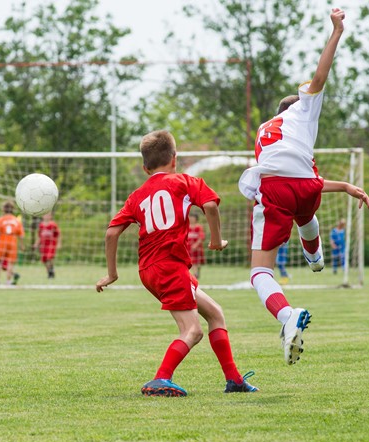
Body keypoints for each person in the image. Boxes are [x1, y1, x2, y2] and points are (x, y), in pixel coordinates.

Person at [237, 8, 369, 365]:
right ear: (300, 102)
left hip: (277, 187)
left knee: (259, 272)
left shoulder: (265, 129)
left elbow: (281, 171)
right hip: (305, 187)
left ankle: (287, 316)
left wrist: (344, 186)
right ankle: (315, 257)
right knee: (306, 207)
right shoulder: (303, 109)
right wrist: (336, 32)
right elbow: (320, 73)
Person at [96, 130, 257, 397]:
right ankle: (160, 379)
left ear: (145, 168)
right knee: (192, 331)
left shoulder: (137, 195)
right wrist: (216, 241)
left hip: (149, 269)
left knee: (215, 313)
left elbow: (111, 232)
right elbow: (211, 206)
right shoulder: (184, 181)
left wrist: (112, 274)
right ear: (175, 157)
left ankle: (234, 380)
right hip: (169, 266)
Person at [0, 201, 24, 285]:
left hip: (2, 240)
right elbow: (21, 235)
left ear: (3, 209)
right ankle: (8, 281)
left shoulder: (1, 219)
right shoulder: (16, 220)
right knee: (10, 263)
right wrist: (22, 245)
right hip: (12, 241)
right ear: (13, 209)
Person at [35, 212, 60, 279]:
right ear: (43, 216)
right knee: (44, 260)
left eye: (48, 215)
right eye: (45, 215)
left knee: (49, 258)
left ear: (51, 216)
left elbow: (58, 234)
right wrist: (36, 243)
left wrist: (59, 243)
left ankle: (51, 271)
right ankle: (50, 272)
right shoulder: (41, 225)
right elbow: (39, 236)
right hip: (43, 245)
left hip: (51, 244)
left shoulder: (53, 224)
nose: (46, 216)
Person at [185, 213, 206, 279]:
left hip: (197, 249)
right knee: (192, 261)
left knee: (198, 262)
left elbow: (201, 237)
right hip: (188, 248)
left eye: (192, 217)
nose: (191, 219)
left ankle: (197, 272)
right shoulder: (186, 227)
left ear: (196, 219)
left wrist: (196, 245)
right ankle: (195, 274)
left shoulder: (199, 227)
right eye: (190, 217)